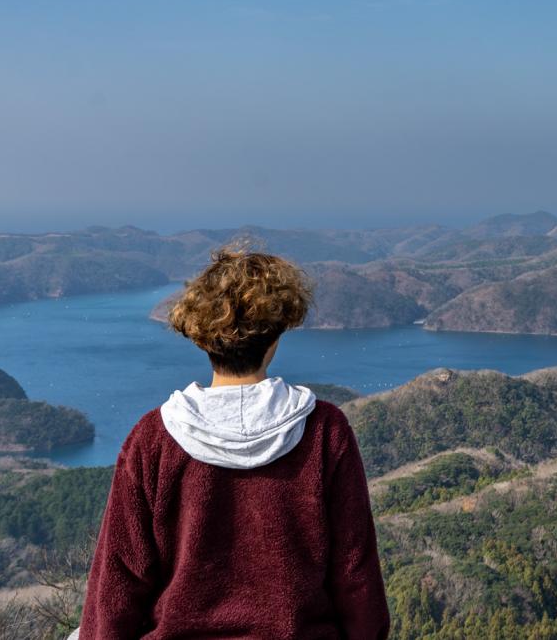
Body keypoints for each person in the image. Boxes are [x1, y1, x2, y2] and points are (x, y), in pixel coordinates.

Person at [74, 245, 389, 640]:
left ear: (201, 338)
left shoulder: (154, 437)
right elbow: (355, 575)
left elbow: (118, 583)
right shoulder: (326, 431)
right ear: (275, 336)